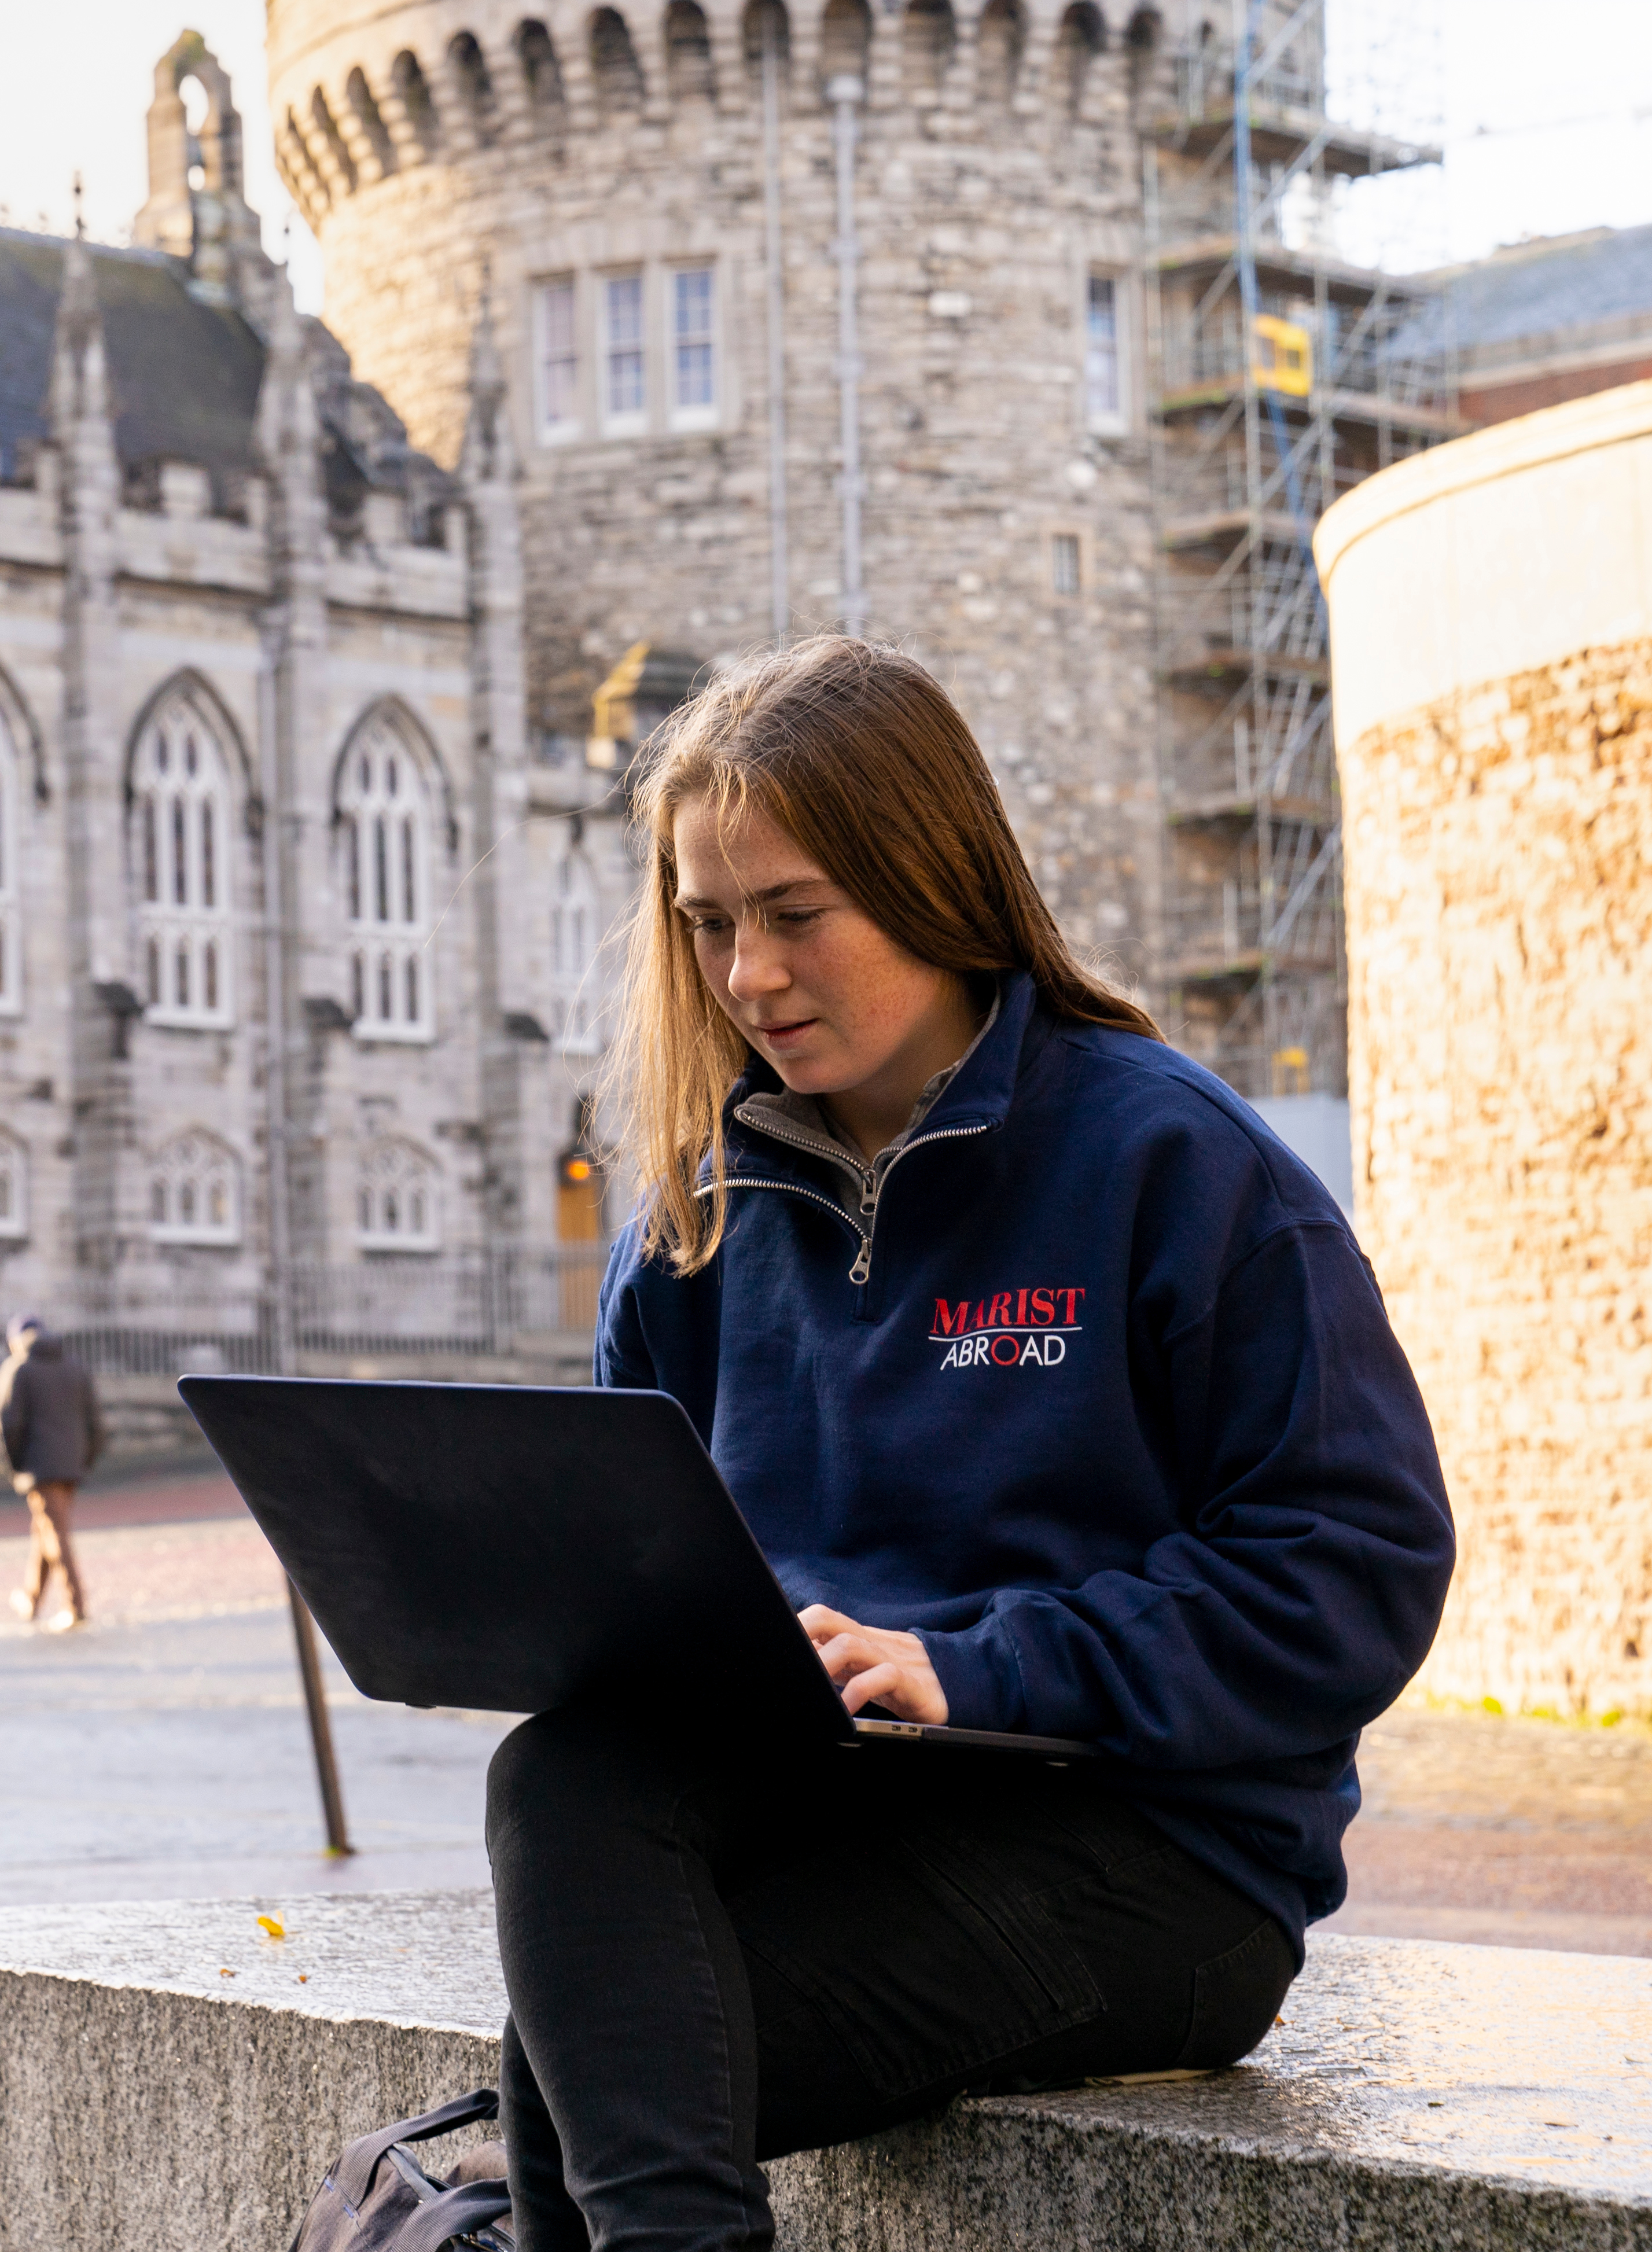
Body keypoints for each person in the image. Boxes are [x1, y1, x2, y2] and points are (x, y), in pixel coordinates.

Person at [490, 636, 1455, 2252]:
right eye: (709, 925)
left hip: (1159, 1858)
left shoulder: (1173, 1165)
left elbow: (1357, 1570)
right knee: (566, 1779)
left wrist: (985, 1665)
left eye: (796, 915)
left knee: (579, 2084)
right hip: (848, 1802)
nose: (749, 979)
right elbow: (652, 1570)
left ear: (936, 881)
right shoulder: (692, 1219)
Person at [0, 1312, 106, 1631]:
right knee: (47, 1529)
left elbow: (6, 1423)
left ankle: (75, 1605)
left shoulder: (19, 1369)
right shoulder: (75, 1366)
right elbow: (96, 1420)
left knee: (56, 1533)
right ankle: (32, 1598)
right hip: (72, 1463)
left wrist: (16, 1468)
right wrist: (86, 1459)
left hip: (40, 1466)